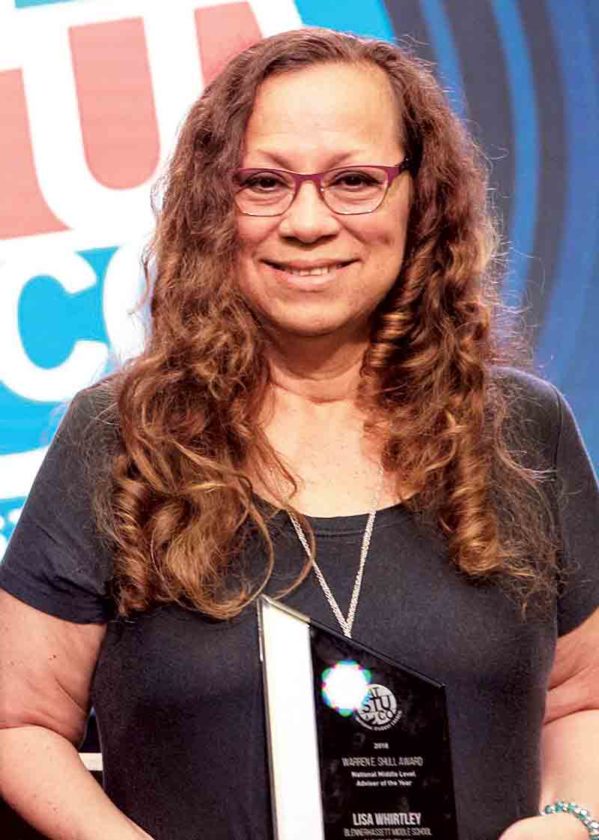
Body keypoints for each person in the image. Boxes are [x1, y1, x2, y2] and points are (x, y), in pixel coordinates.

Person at [0, 27, 598, 840]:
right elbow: (20, 723)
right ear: (213, 204)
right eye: (264, 183)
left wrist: (569, 821)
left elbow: (581, 700)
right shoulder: (120, 438)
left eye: (354, 181)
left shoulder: (524, 431)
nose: (307, 222)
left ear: (419, 197)